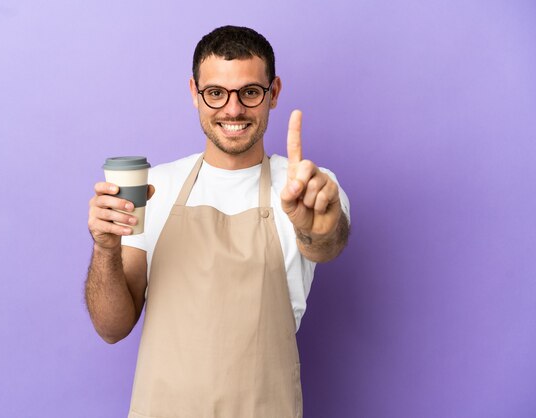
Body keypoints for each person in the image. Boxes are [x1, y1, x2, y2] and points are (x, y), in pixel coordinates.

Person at [85, 25, 350, 417]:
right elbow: (112, 328)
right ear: (195, 93)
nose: (233, 109)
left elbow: (324, 244)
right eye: (215, 93)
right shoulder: (154, 187)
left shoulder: (305, 186)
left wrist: (319, 225)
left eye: (249, 92)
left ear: (272, 93)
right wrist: (105, 248)